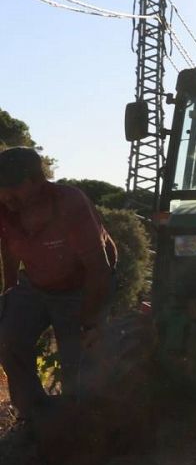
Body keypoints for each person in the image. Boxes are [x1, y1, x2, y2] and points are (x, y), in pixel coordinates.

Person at [0, 147, 117, 427]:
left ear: (38, 181)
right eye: (1, 189)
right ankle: (33, 415)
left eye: (13, 188)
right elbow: (9, 245)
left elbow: (99, 269)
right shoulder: (5, 206)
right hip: (37, 282)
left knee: (78, 358)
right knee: (8, 337)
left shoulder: (70, 204)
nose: (6, 196)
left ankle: (81, 424)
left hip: (83, 284)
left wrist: (90, 324)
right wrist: (11, 288)